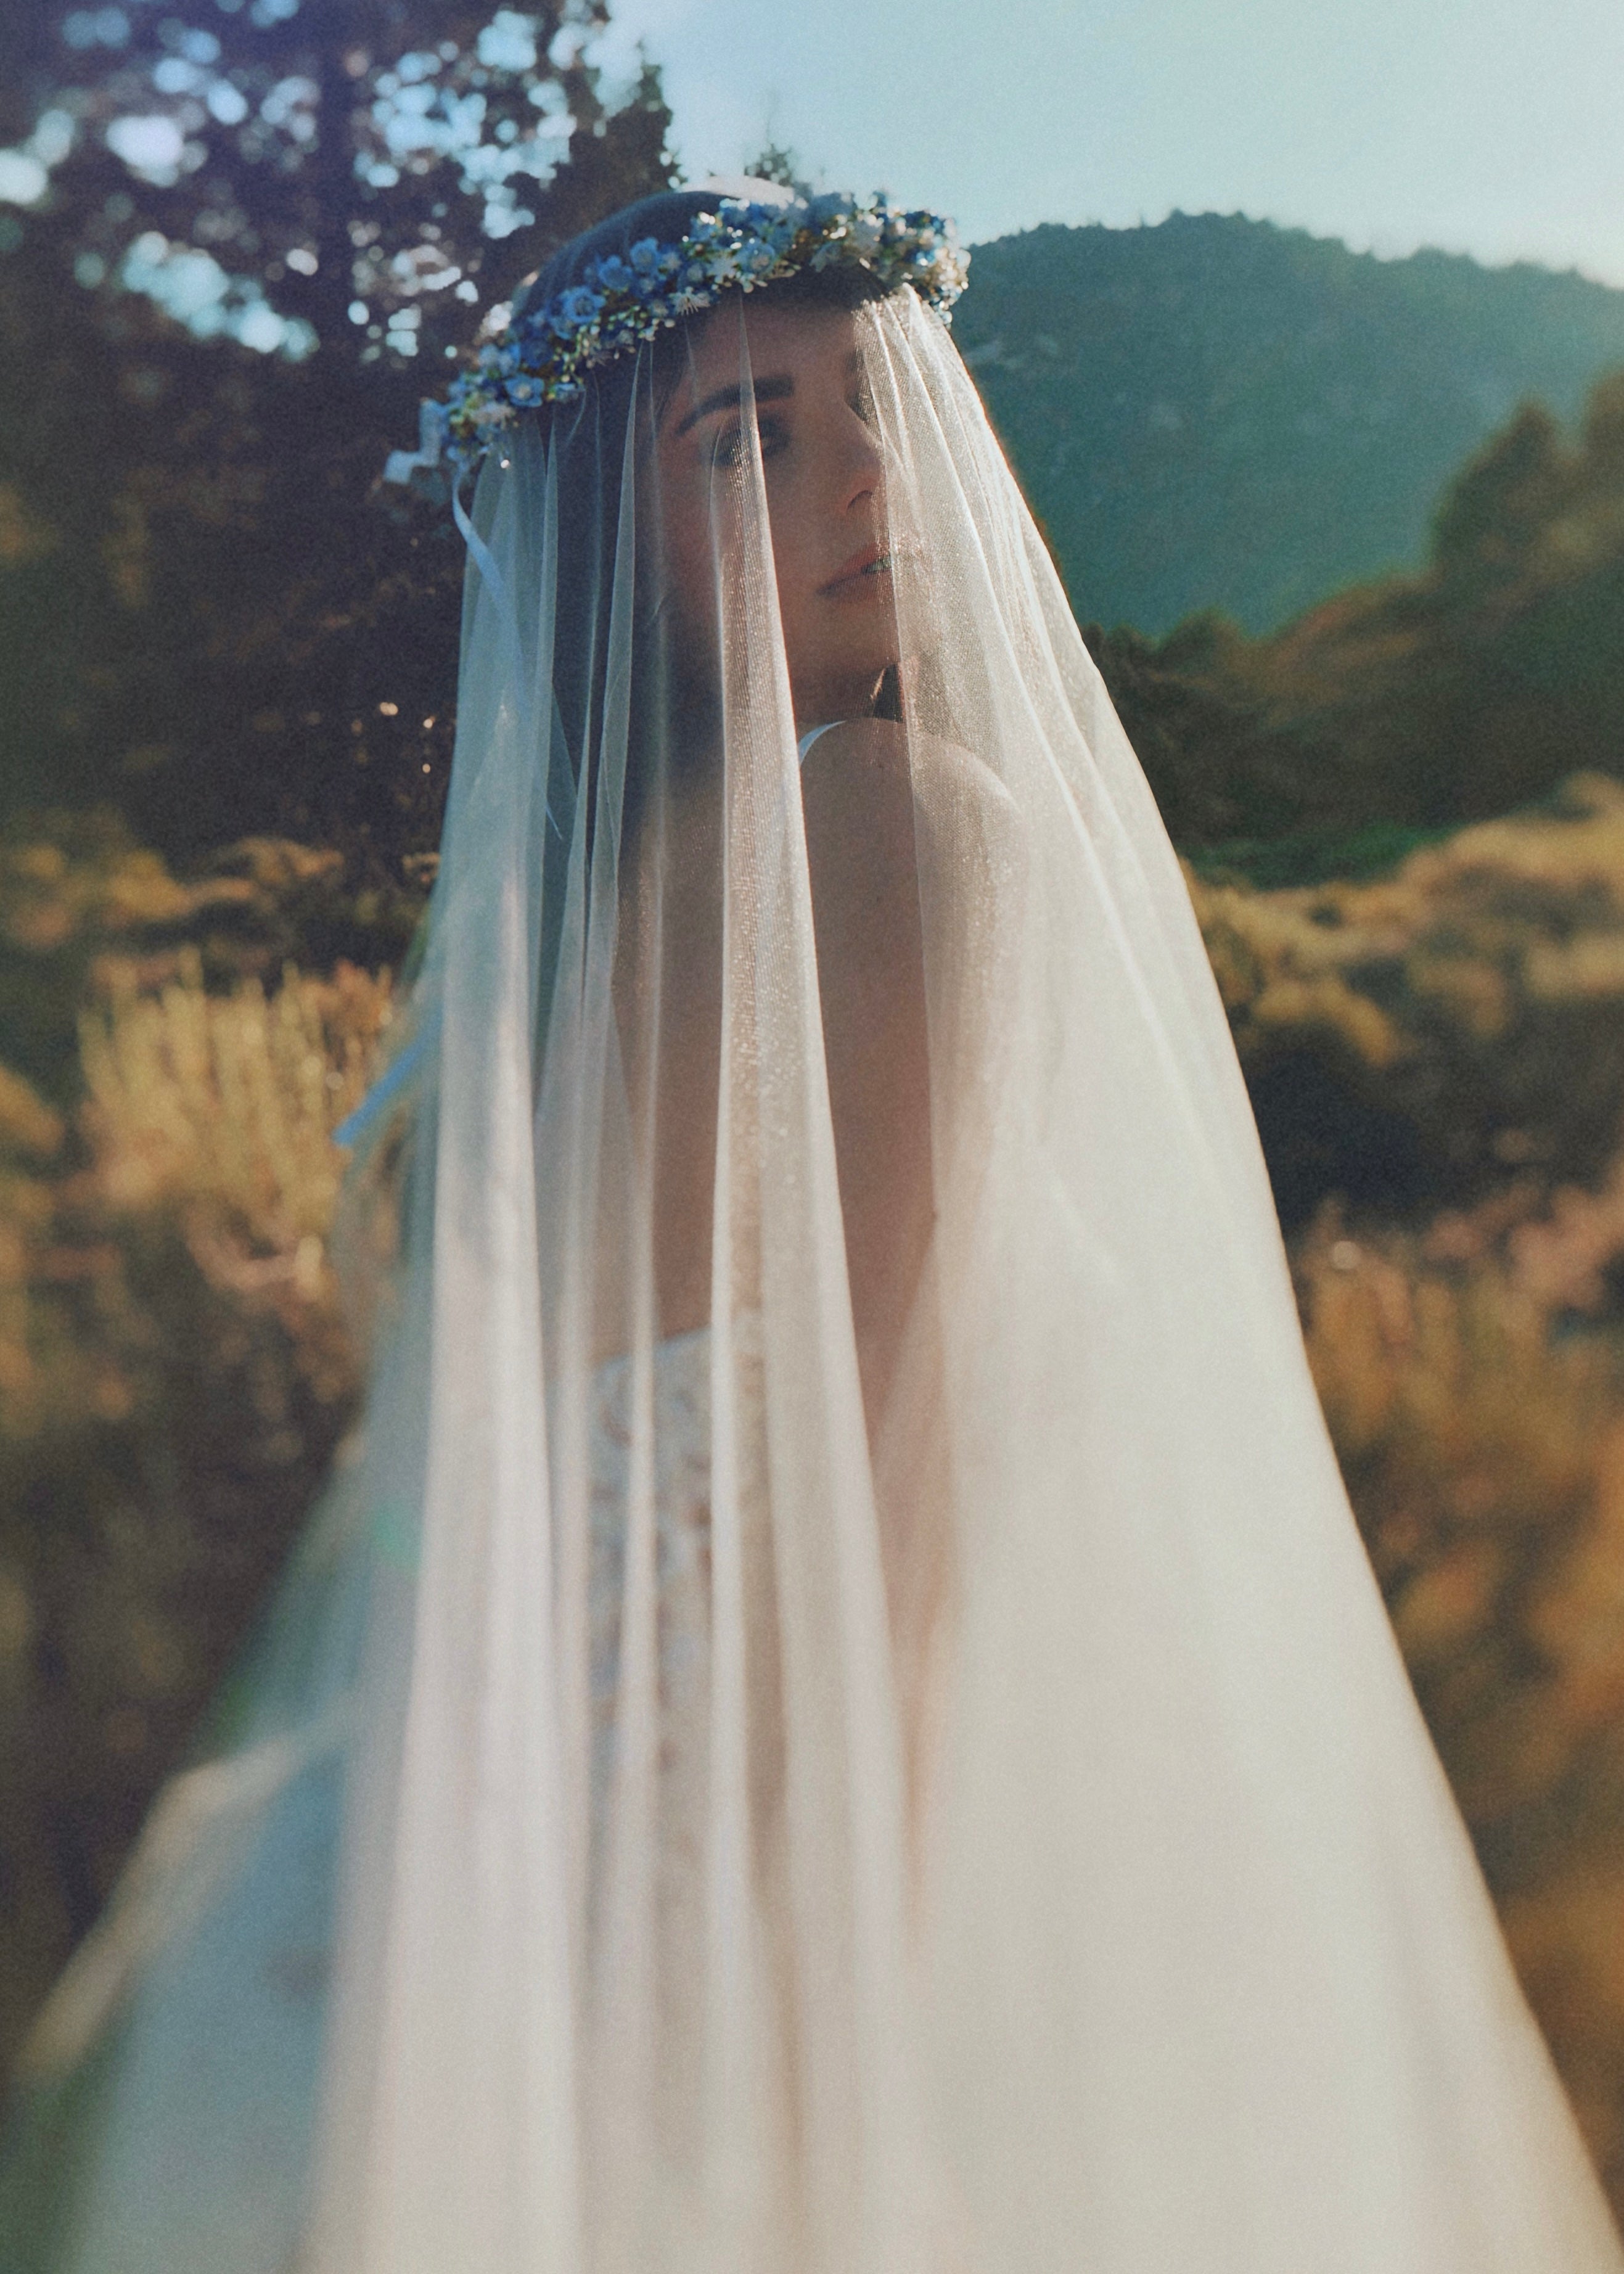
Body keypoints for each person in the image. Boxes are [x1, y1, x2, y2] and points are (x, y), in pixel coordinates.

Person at [4, 179, 1622, 2274]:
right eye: (749, 439)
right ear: (616, 544)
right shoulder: (885, 821)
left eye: (875, 401)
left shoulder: (538, 956)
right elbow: (881, 1499)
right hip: (711, 1902)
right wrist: (825, 2046)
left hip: (394, 1906)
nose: (868, 477)